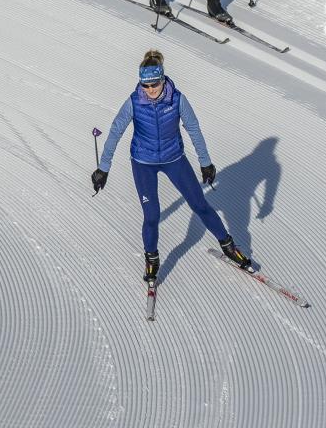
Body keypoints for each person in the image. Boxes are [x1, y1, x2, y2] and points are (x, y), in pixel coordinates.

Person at [92, 48, 253, 283]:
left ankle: (228, 246)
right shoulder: (134, 101)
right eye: (145, 86)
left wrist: (205, 163)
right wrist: (103, 168)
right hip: (143, 162)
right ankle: (152, 259)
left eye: (154, 84)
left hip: (174, 159)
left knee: (200, 205)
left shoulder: (177, 99)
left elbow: (194, 129)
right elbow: (116, 131)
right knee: (151, 216)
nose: (150, 90)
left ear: (162, 78)